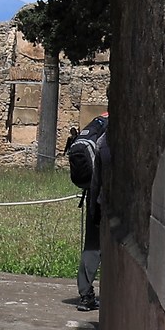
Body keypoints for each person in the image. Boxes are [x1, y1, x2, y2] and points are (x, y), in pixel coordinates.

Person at [66, 112, 108, 310]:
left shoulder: (98, 121)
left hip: (93, 191)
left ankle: (85, 294)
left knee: (92, 245)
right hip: (107, 192)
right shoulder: (115, 126)